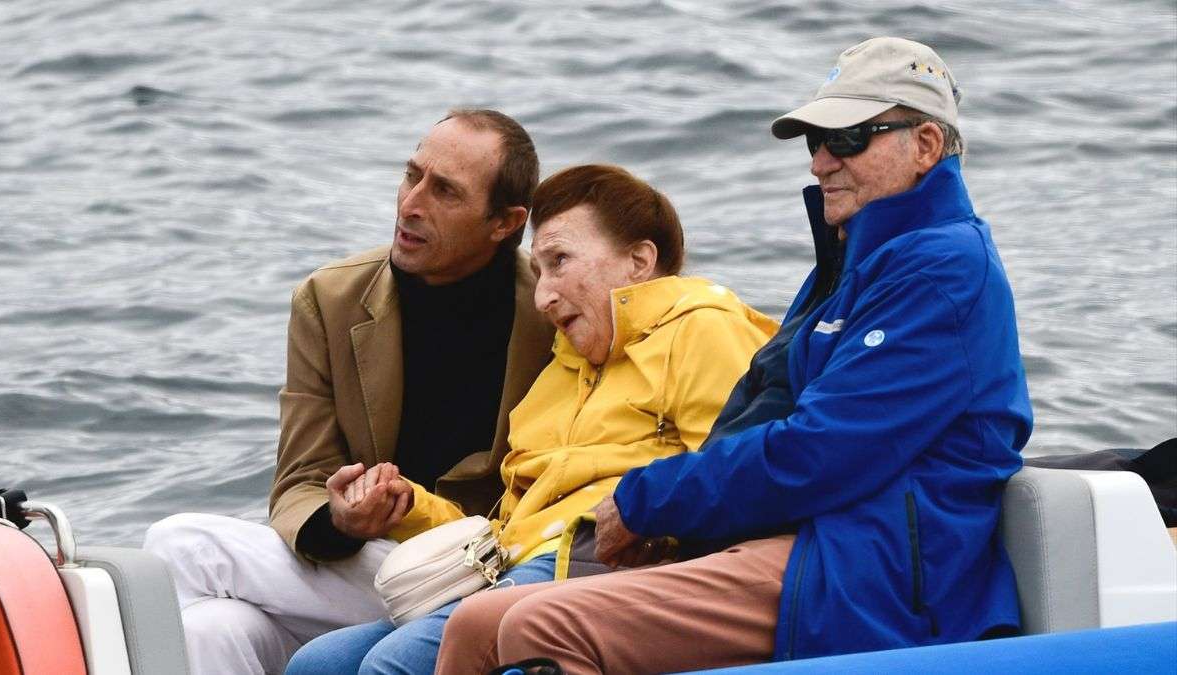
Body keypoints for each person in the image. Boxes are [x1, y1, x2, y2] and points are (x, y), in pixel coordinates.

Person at [435, 37, 1033, 674]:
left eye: (848, 138)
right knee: (477, 625)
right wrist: (679, 527)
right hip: (805, 541)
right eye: (816, 141)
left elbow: (823, 452)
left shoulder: (940, 270)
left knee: (543, 625)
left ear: (927, 145)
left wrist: (649, 501)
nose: (821, 162)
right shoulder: (856, 263)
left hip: (870, 574)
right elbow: (766, 416)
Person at [284, 164, 777, 675]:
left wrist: (649, 518)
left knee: (394, 664)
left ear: (639, 260)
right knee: (317, 664)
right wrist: (407, 503)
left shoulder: (704, 329)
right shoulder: (561, 370)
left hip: (608, 562)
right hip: (513, 565)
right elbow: (510, 528)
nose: (543, 297)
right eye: (538, 272)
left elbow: (737, 475)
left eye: (560, 261)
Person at [141, 109, 556, 675]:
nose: (411, 204)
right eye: (412, 176)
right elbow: (300, 480)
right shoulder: (330, 300)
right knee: (212, 628)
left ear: (505, 222)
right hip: (370, 567)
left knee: (180, 544)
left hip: (492, 571)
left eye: (445, 192)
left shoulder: (551, 310)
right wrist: (340, 521)